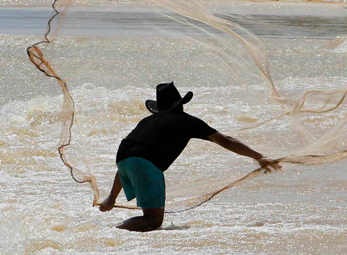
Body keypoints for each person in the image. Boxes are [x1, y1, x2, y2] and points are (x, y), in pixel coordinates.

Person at [99, 83, 281, 232]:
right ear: (181, 104)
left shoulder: (147, 121)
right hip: (145, 163)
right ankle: (114, 232)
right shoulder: (187, 121)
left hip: (122, 159)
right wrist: (259, 157)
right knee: (153, 220)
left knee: (151, 218)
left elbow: (130, 159)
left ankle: (115, 232)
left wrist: (112, 198)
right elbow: (226, 141)